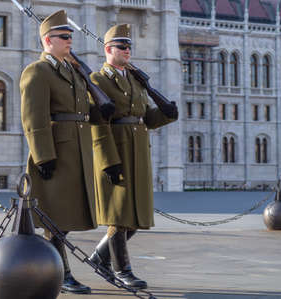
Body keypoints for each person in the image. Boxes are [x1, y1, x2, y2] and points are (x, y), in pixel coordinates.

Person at [88, 24, 178, 289]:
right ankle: (122, 270)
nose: (128, 51)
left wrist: (166, 113)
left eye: (129, 47)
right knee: (119, 215)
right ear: (108, 50)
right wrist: (108, 161)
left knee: (136, 215)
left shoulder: (134, 80)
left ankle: (98, 257)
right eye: (122, 47)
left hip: (138, 151)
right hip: (116, 151)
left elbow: (145, 118)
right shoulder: (97, 80)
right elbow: (98, 125)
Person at [19, 10, 96, 294]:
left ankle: (53, 269)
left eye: (71, 36)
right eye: (64, 37)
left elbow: (82, 110)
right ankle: (60, 274)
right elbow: (33, 117)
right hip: (56, 154)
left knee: (67, 216)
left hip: (77, 152)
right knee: (56, 219)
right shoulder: (37, 71)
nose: (70, 41)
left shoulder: (71, 72)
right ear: (48, 40)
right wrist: (43, 156)